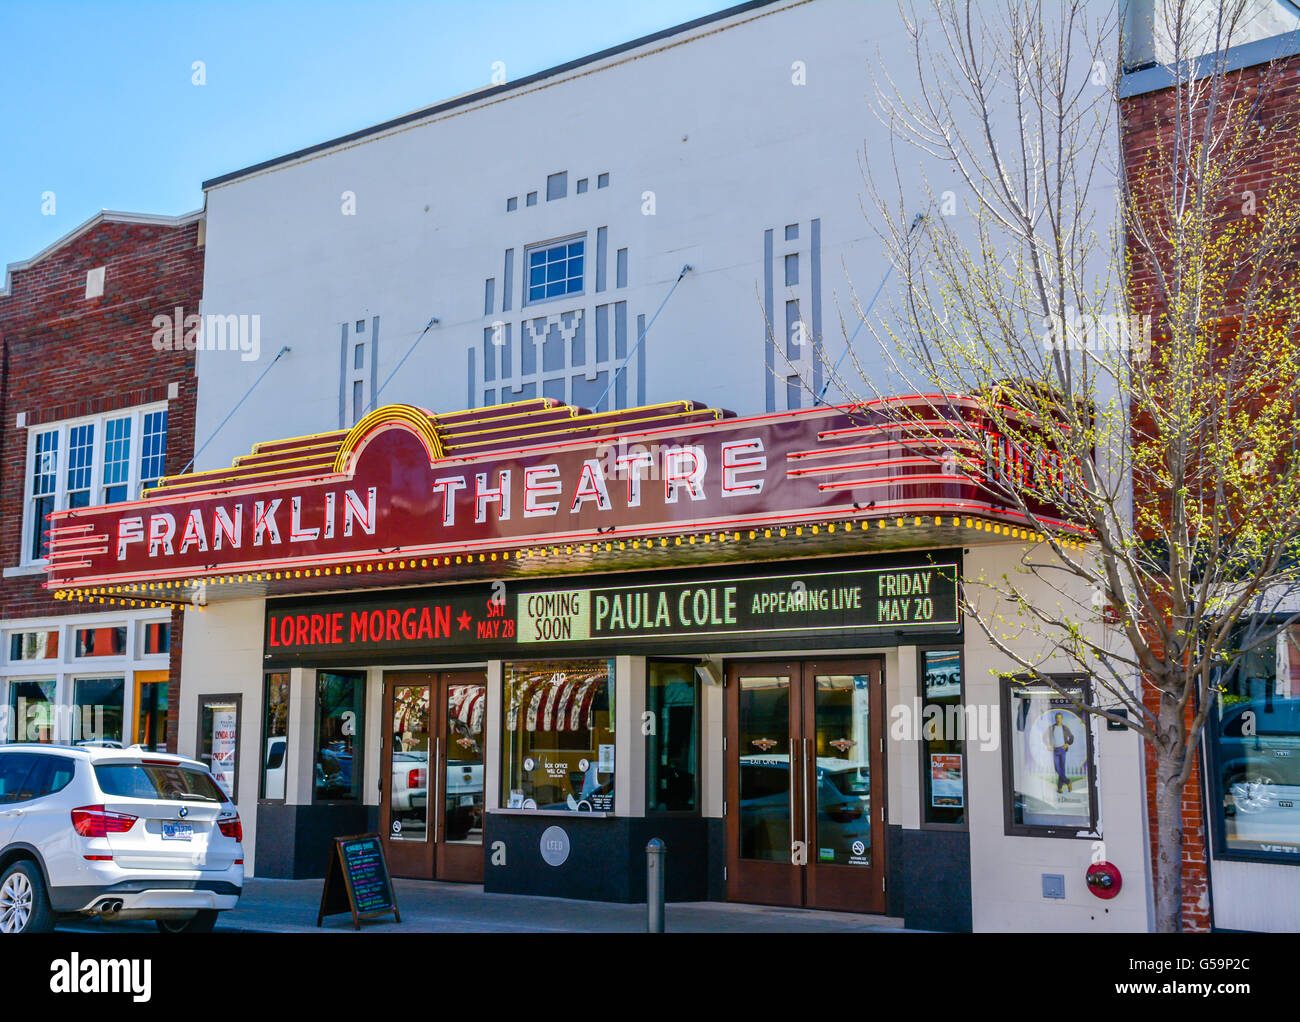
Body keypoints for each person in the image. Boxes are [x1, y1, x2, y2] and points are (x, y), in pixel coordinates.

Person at [1043, 712, 1074, 793]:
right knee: (1057, 768)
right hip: (1055, 750)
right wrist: (1048, 745)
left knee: (1062, 769)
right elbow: (1044, 737)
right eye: (1057, 718)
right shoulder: (1052, 728)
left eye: (1060, 718)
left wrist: (1068, 743)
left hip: (1062, 750)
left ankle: (1059, 788)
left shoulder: (1065, 728)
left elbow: (1071, 737)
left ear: (1062, 719)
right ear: (1055, 719)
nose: (1058, 719)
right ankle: (1068, 782)